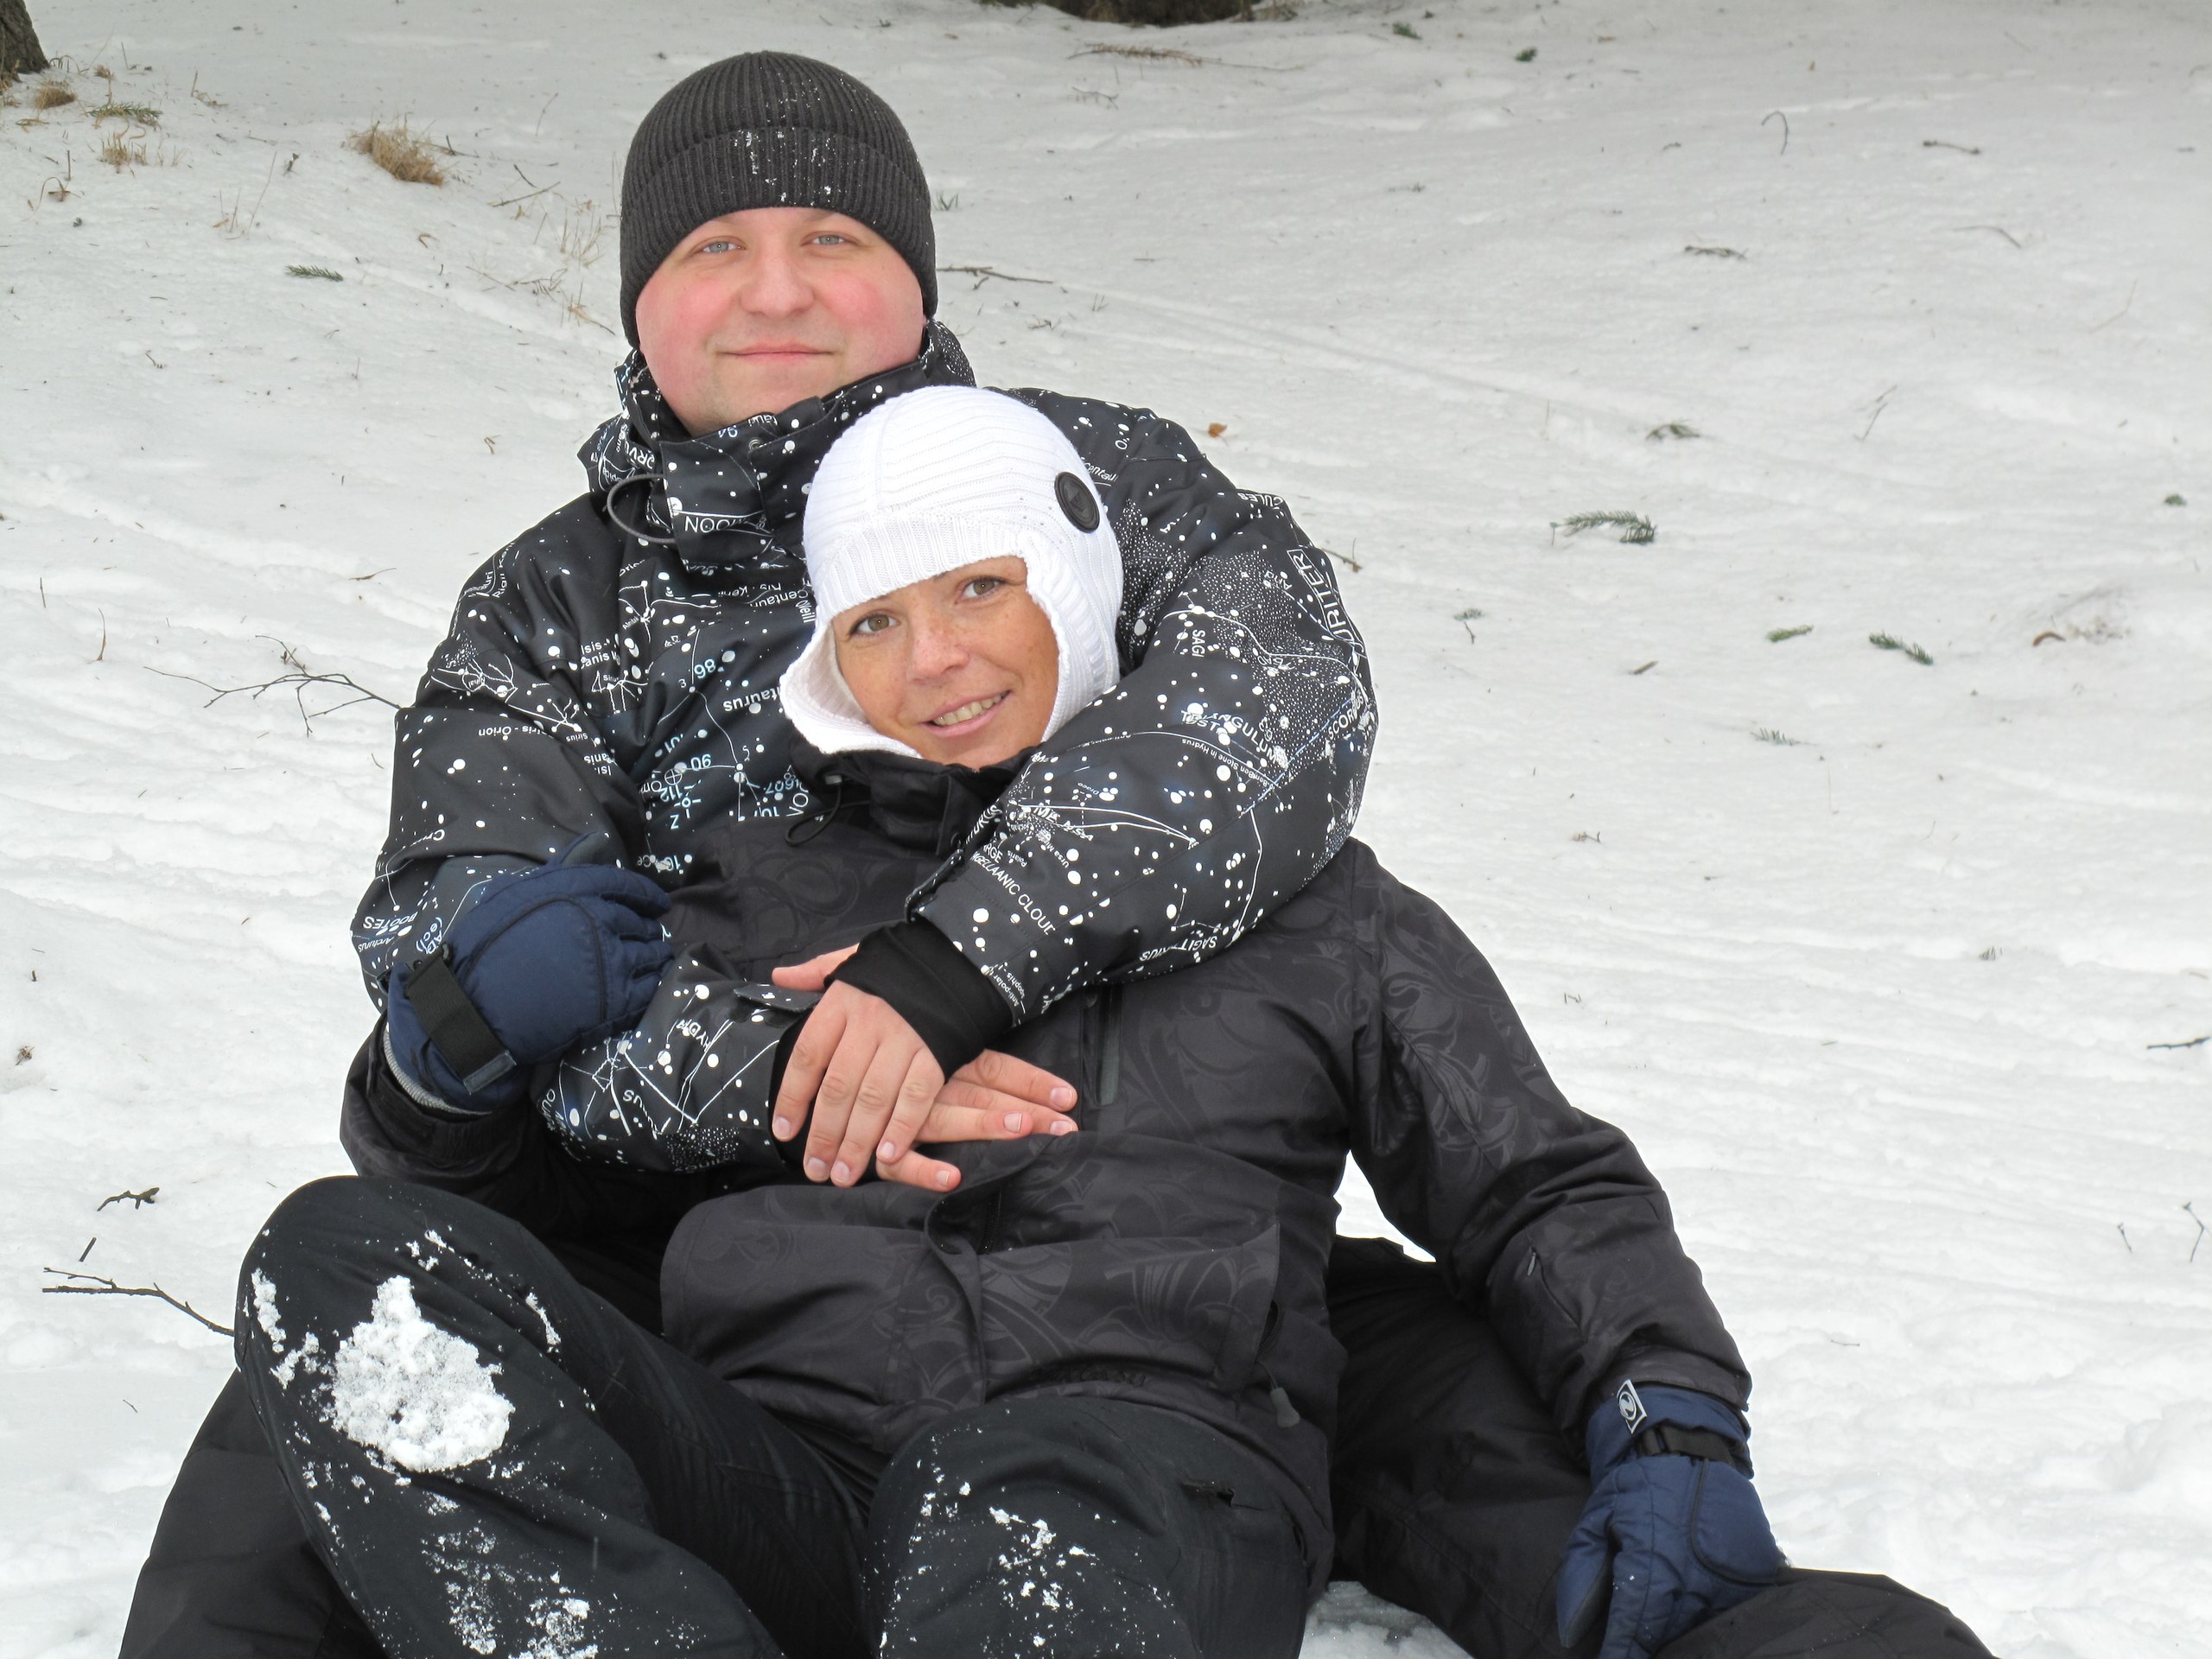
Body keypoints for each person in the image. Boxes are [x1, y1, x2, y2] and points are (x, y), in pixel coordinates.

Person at [122, 52, 1993, 1659]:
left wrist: (946, 972)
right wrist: (748, 1062)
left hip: (1178, 1268)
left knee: (1395, 1435)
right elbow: (483, 1007)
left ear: (1077, 578)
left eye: (831, 237)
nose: (774, 291)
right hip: (739, 1272)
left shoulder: (1115, 504)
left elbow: (1275, 716)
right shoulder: (563, 630)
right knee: (342, 1353)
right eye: (710, 250)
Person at [234, 386, 1776, 1659]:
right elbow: (570, 1212)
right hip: (799, 1475)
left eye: (981, 586)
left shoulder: (1313, 909)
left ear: (1077, 582)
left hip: (1134, 1474)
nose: (936, 659)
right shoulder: (742, 896)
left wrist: (1675, 1412)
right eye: (876, 621)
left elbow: (1535, 1184)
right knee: (340, 1264)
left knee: (1020, 1501)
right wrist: (446, 1059)